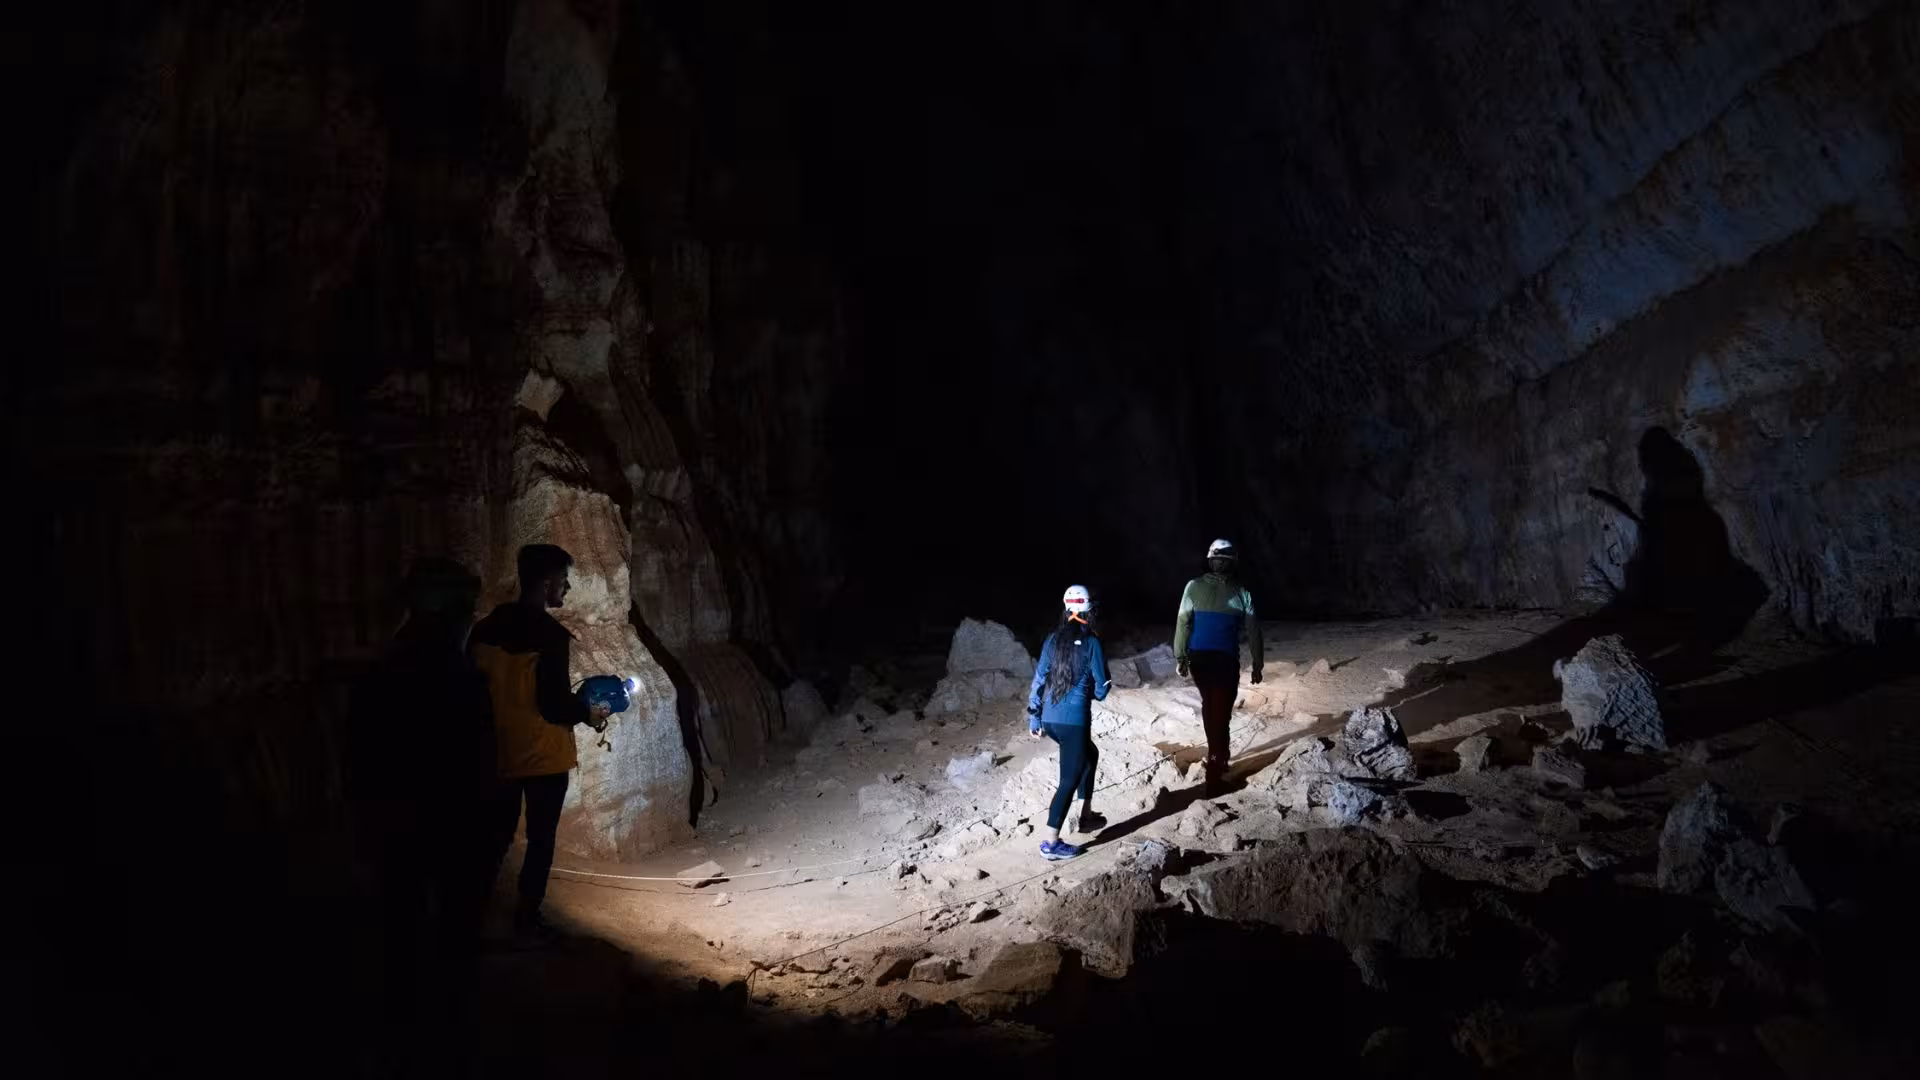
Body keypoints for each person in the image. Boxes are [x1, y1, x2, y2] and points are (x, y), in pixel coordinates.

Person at [344, 557, 496, 1064]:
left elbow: (357, 761)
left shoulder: (378, 676)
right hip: (448, 826)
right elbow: (477, 764)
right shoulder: (462, 680)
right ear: (455, 613)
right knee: (453, 934)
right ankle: (451, 1038)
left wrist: (365, 826)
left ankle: (401, 1032)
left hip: (395, 826)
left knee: (400, 931)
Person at [471, 544, 612, 944]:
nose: (565, 590)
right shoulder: (550, 636)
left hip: (497, 755)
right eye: (563, 582)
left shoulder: (483, 631)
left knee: (493, 839)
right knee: (540, 840)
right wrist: (586, 712)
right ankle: (526, 921)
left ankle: (471, 917)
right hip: (543, 759)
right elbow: (551, 706)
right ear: (547, 581)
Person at [1026, 584, 1112, 861]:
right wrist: (1095, 693)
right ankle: (1051, 842)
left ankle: (1085, 815)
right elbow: (1102, 686)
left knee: (1091, 754)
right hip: (1074, 722)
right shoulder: (1092, 642)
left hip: (1050, 720)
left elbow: (1039, 680)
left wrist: (1034, 717)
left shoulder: (1052, 640)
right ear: (1089, 611)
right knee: (1069, 778)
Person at [1174, 539, 1263, 797]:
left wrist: (1180, 657)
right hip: (1224, 659)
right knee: (1221, 711)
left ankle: (1219, 756)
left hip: (1199, 659)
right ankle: (1215, 771)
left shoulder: (1193, 587)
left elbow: (1183, 623)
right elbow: (1254, 630)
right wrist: (1257, 663)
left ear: (1210, 560)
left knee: (1210, 705)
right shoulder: (1241, 592)